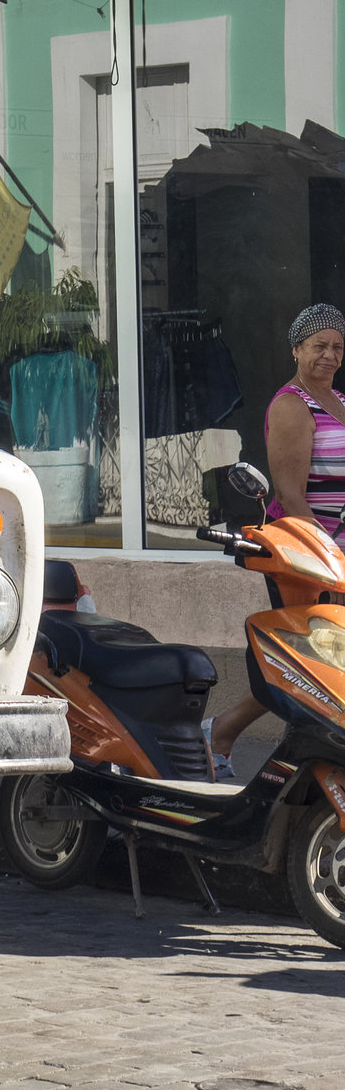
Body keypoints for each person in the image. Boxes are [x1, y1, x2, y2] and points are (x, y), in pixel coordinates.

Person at [207, 303, 345, 779]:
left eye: (337, 347)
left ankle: (227, 734)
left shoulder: (341, 404)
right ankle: (230, 737)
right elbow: (290, 494)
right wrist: (330, 563)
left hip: (338, 556)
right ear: (296, 350)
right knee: (303, 662)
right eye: (318, 346)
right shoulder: (292, 405)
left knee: (312, 664)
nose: (329, 355)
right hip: (306, 556)